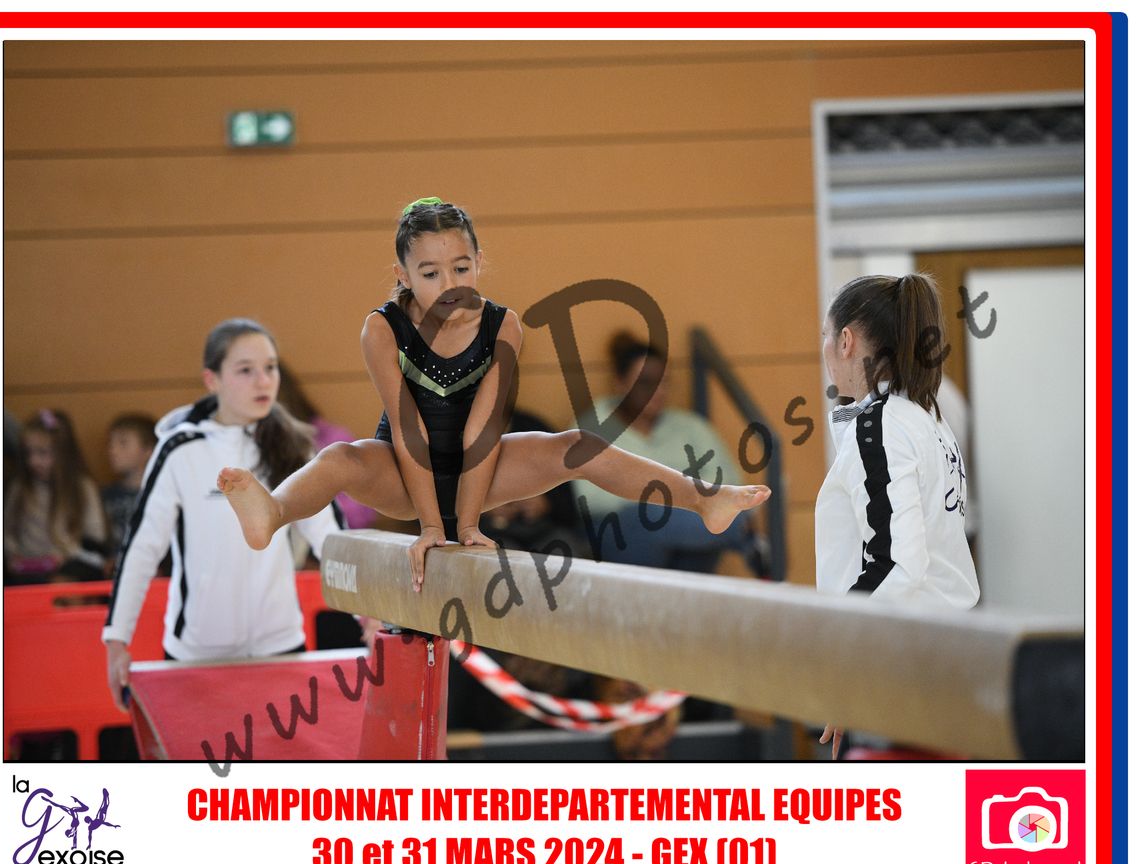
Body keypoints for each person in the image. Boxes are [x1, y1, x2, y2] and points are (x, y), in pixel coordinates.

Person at [216, 198, 771, 591]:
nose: (449, 284)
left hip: (481, 471)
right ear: (403, 275)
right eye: (430, 273)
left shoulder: (502, 327)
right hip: (403, 473)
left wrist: (468, 526)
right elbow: (408, 429)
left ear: (479, 263)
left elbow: (483, 432)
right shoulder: (382, 329)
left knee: (576, 445)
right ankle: (274, 510)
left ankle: (703, 499)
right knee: (340, 457)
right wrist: (431, 528)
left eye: (461, 267)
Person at [101, 318, 346, 712]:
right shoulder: (179, 451)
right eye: (245, 370)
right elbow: (141, 548)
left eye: (270, 367)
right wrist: (117, 640)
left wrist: (369, 615)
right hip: (196, 655)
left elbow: (332, 540)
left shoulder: (295, 448)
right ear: (211, 380)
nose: (263, 381)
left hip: (281, 648)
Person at [815, 273, 980, 758]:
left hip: (904, 655)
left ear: (846, 341)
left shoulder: (883, 424)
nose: (824, 349)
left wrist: (839, 658)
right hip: (936, 646)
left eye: (826, 335)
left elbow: (896, 563)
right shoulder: (925, 416)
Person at [571, 332, 768, 575]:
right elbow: (589, 497)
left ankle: (740, 536)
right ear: (619, 383)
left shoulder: (690, 426)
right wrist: (678, 497)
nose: (657, 391)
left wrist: (679, 501)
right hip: (618, 533)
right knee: (652, 515)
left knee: (707, 522)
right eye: (645, 382)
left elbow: (728, 479)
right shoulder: (591, 427)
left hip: (688, 537)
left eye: (663, 382)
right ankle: (745, 536)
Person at [4, 409, 108, 584]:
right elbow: (8, 530)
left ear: (63, 453)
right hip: (25, 569)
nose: (33, 461)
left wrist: (67, 555)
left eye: (43, 453)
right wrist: (12, 556)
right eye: (28, 453)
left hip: (69, 565)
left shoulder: (82, 487)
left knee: (64, 583)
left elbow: (95, 537)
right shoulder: (20, 487)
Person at [276, 363, 377, 529]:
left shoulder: (331, 441)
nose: (262, 383)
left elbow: (361, 513)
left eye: (269, 370)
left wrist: (298, 510)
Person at [102, 413, 158, 561]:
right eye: (110, 443)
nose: (112, 450)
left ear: (149, 451)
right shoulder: (104, 496)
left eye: (123, 443)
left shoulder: (161, 495)